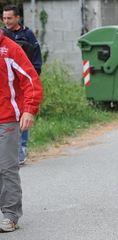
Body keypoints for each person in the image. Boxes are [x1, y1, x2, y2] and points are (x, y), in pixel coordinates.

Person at [0, 28, 43, 232]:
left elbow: (30, 79)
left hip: (7, 118)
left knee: (7, 167)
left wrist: (29, 109)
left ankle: (10, 216)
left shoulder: (10, 49)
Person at [3, 4, 43, 165]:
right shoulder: (3, 35)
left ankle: (22, 148)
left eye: (10, 18)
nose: (7, 21)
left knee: (22, 111)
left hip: (23, 79)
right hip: (8, 81)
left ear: (18, 18)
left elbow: (35, 55)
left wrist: (34, 75)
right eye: (4, 18)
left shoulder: (27, 34)